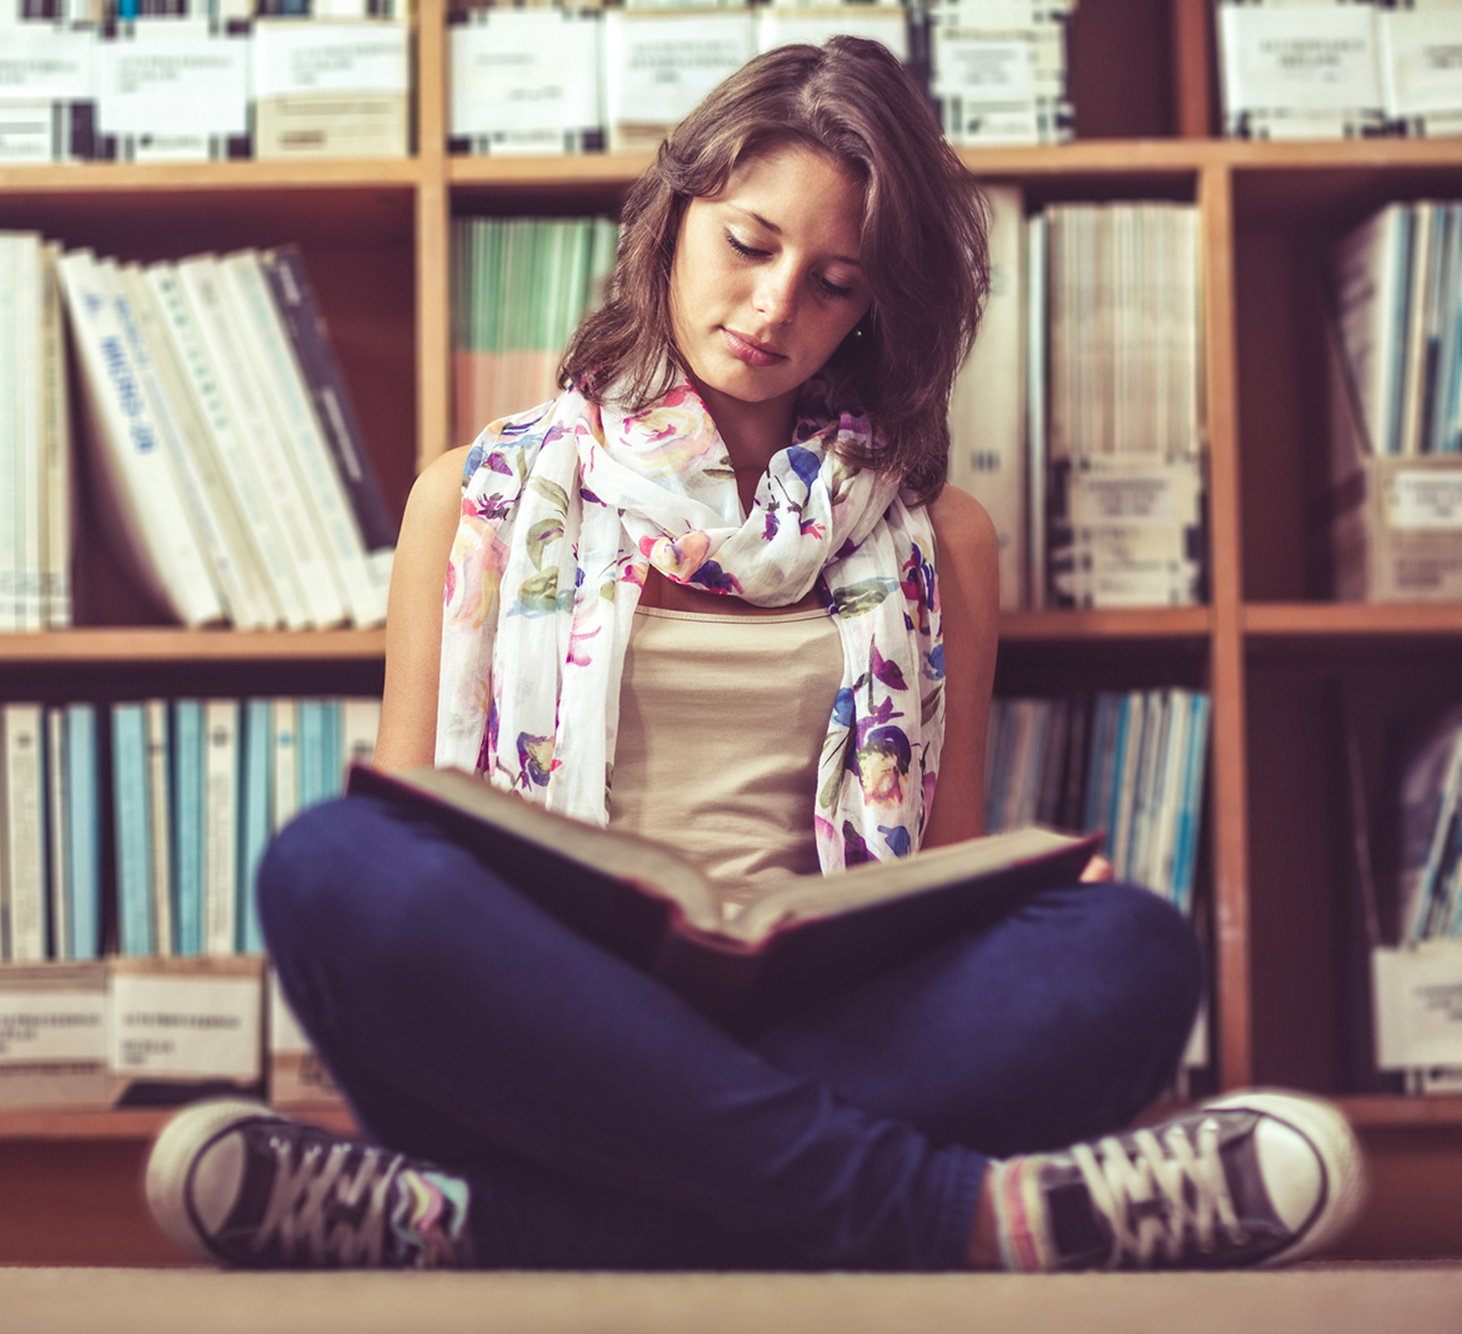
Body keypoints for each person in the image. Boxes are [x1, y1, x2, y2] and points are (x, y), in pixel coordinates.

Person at [145, 38, 1365, 1273]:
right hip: (551, 1024)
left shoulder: (941, 539)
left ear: (873, 306)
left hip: (828, 1015)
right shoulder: (472, 496)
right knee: (335, 865)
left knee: (1131, 954)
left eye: (834, 282)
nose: (778, 306)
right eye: (748, 244)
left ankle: (492, 1223)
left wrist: (1026, 909)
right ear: (673, 217)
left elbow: (936, 881)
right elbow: (420, 843)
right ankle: (954, 1213)